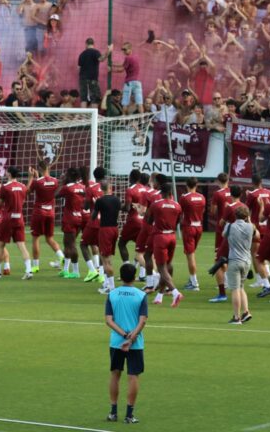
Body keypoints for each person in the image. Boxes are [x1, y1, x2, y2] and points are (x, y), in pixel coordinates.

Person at [104, 262, 147, 424]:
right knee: (133, 376)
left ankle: (113, 412)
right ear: (134, 277)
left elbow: (109, 320)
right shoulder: (141, 295)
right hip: (135, 343)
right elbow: (142, 321)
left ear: (120, 277)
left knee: (115, 374)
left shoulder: (112, 294)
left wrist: (123, 335)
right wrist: (131, 338)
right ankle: (129, 415)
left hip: (116, 342)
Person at [145, 183, 184, 307]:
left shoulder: (156, 205)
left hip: (160, 236)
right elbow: (180, 221)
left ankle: (175, 292)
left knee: (161, 267)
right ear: (171, 193)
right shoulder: (177, 205)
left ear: (161, 192)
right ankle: (160, 295)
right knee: (168, 264)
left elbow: (148, 220)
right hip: (172, 236)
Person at [0, 167, 35, 279]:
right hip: (19, 219)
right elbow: (27, 191)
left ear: (9, 174)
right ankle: (29, 270)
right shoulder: (22, 186)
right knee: (22, 246)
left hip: (8, 219)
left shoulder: (5, 187)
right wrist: (31, 178)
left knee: (0, 245)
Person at [29, 161, 66, 274]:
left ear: (39, 169)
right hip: (51, 212)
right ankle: (61, 257)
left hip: (39, 212)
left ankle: (35, 266)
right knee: (49, 238)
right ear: (48, 168)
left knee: (36, 238)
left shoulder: (37, 182)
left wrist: (32, 177)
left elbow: (28, 191)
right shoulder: (55, 181)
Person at [223, 204, 256, 324]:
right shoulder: (251, 227)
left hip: (234, 260)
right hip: (246, 260)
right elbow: (256, 235)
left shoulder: (230, 226)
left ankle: (236, 317)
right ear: (247, 216)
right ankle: (246, 311)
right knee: (241, 287)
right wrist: (250, 221)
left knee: (235, 289)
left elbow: (223, 235)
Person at [93, 180, 123, 294]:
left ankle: (111, 287)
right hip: (115, 229)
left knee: (105, 260)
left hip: (105, 230)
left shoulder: (100, 201)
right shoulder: (117, 200)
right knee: (108, 257)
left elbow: (94, 217)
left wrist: (96, 205)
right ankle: (107, 284)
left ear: (101, 189)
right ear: (110, 188)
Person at [58, 167, 88, 279]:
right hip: (79, 217)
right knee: (67, 244)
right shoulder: (82, 187)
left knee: (71, 245)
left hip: (69, 219)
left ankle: (76, 271)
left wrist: (62, 182)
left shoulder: (67, 188)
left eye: (66, 174)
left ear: (69, 176)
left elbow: (55, 195)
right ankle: (65, 269)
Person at [178, 177, 206, 292]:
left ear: (186, 185)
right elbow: (203, 211)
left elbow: (180, 212)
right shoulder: (202, 197)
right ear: (197, 185)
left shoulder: (184, 197)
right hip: (199, 226)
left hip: (189, 227)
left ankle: (194, 283)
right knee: (192, 253)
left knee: (190, 255)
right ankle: (191, 279)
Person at [207, 172, 231, 303]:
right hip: (233, 229)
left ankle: (223, 288)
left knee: (219, 257)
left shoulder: (217, 194)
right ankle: (226, 280)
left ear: (218, 181)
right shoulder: (232, 192)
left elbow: (213, 211)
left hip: (222, 229)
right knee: (228, 256)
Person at [77, 38, 108, 107]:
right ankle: (93, 116)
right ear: (93, 44)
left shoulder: (82, 54)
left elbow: (78, 68)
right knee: (95, 98)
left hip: (82, 79)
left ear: (86, 44)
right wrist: (107, 52)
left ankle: (84, 116)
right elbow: (101, 59)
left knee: (83, 98)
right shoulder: (95, 52)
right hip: (92, 78)